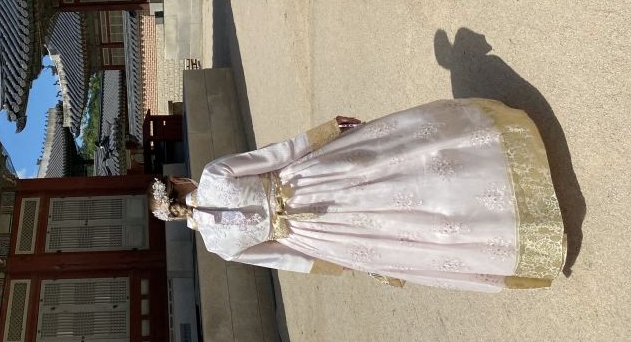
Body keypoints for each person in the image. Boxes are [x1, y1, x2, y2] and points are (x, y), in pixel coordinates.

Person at [149, 99, 566, 291]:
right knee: (397, 169)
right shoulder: (213, 175)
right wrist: (329, 130)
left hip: (312, 233)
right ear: (180, 184)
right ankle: (492, 159)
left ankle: (511, 231)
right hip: (306, 182)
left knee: (401, 230)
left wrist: (336, 264)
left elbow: (281, 257)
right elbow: (274, 154)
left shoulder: (217, 246)